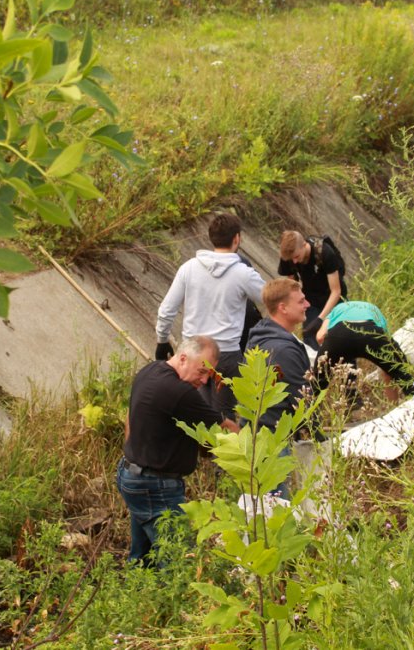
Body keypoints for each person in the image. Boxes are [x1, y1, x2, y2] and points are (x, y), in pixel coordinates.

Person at [117, 336, 240, 566]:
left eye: (209, 376)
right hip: (155, 486)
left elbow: (130, 417)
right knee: (180, 563)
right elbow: (227, 428)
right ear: (183, 358)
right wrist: (254, 454)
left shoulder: (149, 371)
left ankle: (143, 598)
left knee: (143, 560)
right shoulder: (179, 392)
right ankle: (172, 600)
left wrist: (134, 455)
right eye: (202, 372)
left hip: (132, 474)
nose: (204, 381)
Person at [156, 213, 266, 419]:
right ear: (237, 238)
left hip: (192, 352)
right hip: (226, 355)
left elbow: (166, 310)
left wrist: (162, 340)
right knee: (222, 418)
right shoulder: (243, 273)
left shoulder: (188, 268)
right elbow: (271, 298)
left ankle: (197, 451)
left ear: (211, 238)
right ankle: (223, 451)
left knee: (192, 415)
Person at [314, 300, 414, 403]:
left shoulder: (336, 310)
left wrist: (330, 353)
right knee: (405, 376)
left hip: (339, 334)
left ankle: (306, 414)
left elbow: (320, 336)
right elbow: (386, 345)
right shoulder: (374, 309)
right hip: (371, 332)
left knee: (316, 384)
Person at [246, 278, 313, 431]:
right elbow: (302, 402)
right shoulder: (282, 351)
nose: (307, 305)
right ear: (283, 308)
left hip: (258, 431)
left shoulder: (261, 335)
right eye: (301, 301)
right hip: (274, 437)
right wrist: (323, 443)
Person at [277, 230, 347, 351]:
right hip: (312, 301)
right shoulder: (289, 257)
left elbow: (336, 291)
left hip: (335, 300)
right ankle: (318, 368)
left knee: (341, 339)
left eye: (296, 257)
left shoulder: (324, 253)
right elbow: (293, 284)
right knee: (311, 337)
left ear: (304, 245)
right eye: (291, 259)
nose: (294, 261)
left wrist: (320, 319)